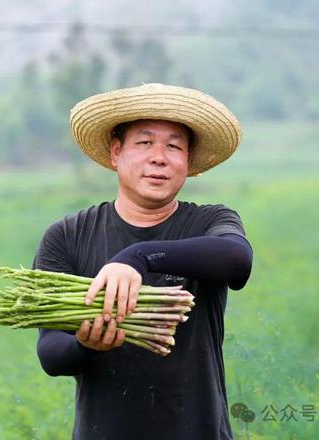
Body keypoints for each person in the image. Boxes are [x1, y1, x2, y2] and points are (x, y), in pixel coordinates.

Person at [33, 83, 253, 440]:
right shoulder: (68, 236)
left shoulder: (209, 222)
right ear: (116, 152)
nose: (159, 157)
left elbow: (237, 261)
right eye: (145, 143)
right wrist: (86, 346)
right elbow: (50, 353)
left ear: (188, 160)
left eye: (174, 146)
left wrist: (138, 257)